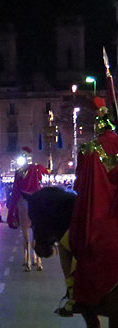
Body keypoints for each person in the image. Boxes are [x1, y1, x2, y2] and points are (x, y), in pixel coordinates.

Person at [64, 97, 118, 316]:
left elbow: (80, 186)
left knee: (66, 243)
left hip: (99, 216)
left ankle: (72, 294)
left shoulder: (89, 149)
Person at [7, 147, 49, 229]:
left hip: (27, 195)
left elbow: (16, 188)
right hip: (30, 195)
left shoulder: (34, 169)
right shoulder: (31, 169)